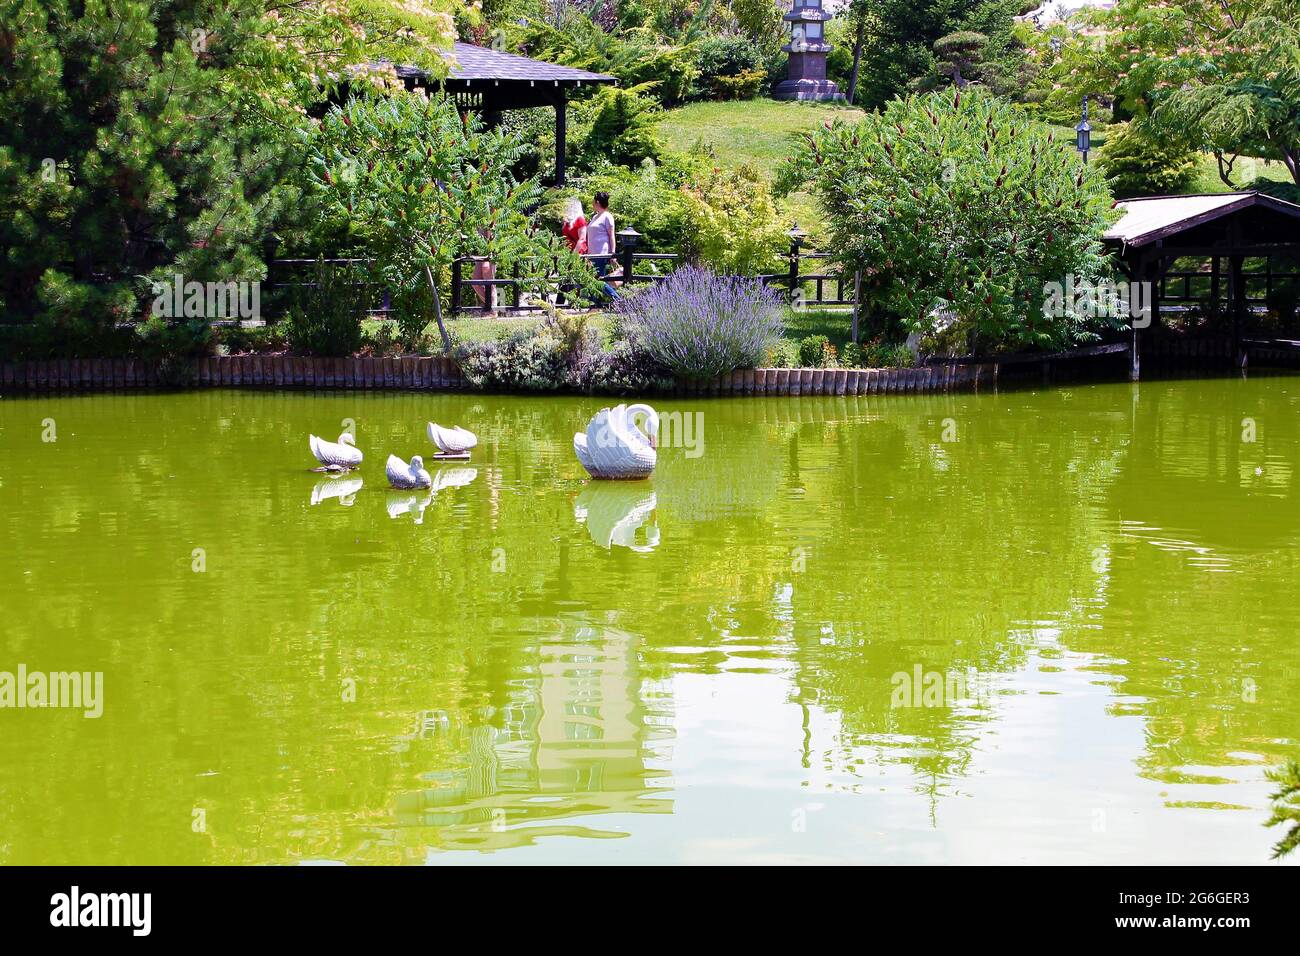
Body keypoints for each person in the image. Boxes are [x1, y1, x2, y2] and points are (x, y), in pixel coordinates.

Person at [586, 191, 620, 302]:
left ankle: (617, 300)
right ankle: (595, 303)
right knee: (594, 279)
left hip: (601, 253)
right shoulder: (595, 217)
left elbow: (611, 236)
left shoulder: (607, 217)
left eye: (593, 201)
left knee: (598, 280)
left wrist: (613, 253)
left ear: (597, 202)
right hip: (593, 254)